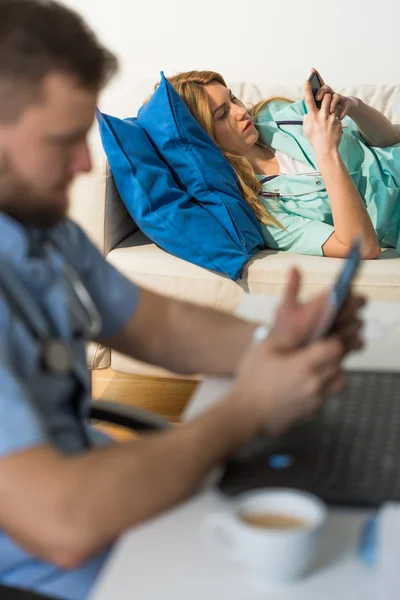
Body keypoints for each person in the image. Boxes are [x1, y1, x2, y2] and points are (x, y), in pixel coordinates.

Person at [0, 2, 364, 599]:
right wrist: (245, 410)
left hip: (120, 513)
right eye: (63, 140)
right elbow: (60, 523)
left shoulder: (42, 233)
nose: (86, 163)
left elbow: (158, 323)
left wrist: (276, 341)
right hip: (72, 567)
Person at [162, 70, 400, 259]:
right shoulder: (264, 211)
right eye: (223, 114)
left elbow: (389, 140)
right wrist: (326, 151)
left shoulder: (275, 115)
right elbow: (363, 247)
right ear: (203, 137)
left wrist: (354, 106)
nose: (241, 111)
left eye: (233, 98)